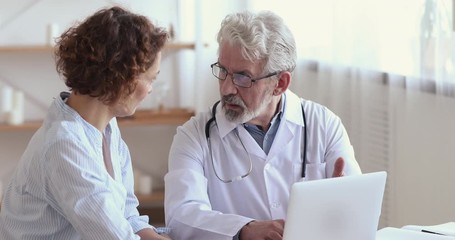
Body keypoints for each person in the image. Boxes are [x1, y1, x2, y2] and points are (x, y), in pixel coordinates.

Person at [164, 10, 362, 240]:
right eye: (223, 71)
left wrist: (343, 206)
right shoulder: (194, 136)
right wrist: (244, 230)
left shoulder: (324, 126)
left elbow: (358, 209)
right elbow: (180, 216)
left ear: (280, 83)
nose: (227, 88)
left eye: (242, 77)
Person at [0, 6, 170, 240]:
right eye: (150, 79)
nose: (150, 90)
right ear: (121, 77)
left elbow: (127, 215)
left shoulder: (107, 128)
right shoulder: (64, 145)